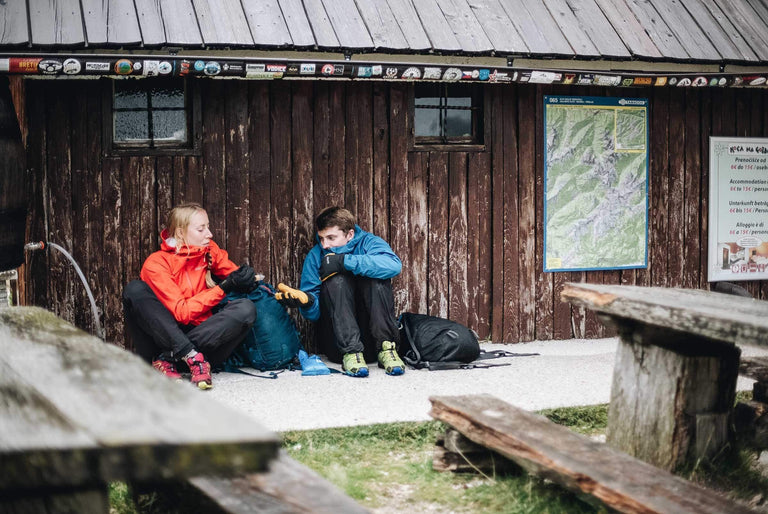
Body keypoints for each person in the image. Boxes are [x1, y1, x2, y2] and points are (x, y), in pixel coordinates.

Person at [122, 202, 257, 390]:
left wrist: (248, 278)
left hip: (204, 346)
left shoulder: (209, 251)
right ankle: (187, 354)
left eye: (207, 227)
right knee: (134, 289)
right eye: (201, 229)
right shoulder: (157, 263)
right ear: (179, 233)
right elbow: (182, 312)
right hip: (166, 338)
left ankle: (168, 359)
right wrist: (224, 287)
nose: (209, 234)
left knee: (246, 309)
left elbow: (234, 274)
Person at [275, 206, 405, 377]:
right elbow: (313, 316)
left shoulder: (369, 243)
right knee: (337, 280)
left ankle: (387, 350)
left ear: (349, 234)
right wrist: (307, 302)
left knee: (376, 277)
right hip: (339, 346)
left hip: (374, 340)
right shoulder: (316, 256)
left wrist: (344, 262)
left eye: (331, 238)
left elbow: (394, 266)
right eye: (321, 238)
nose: (325, 245)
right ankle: (352, 353)